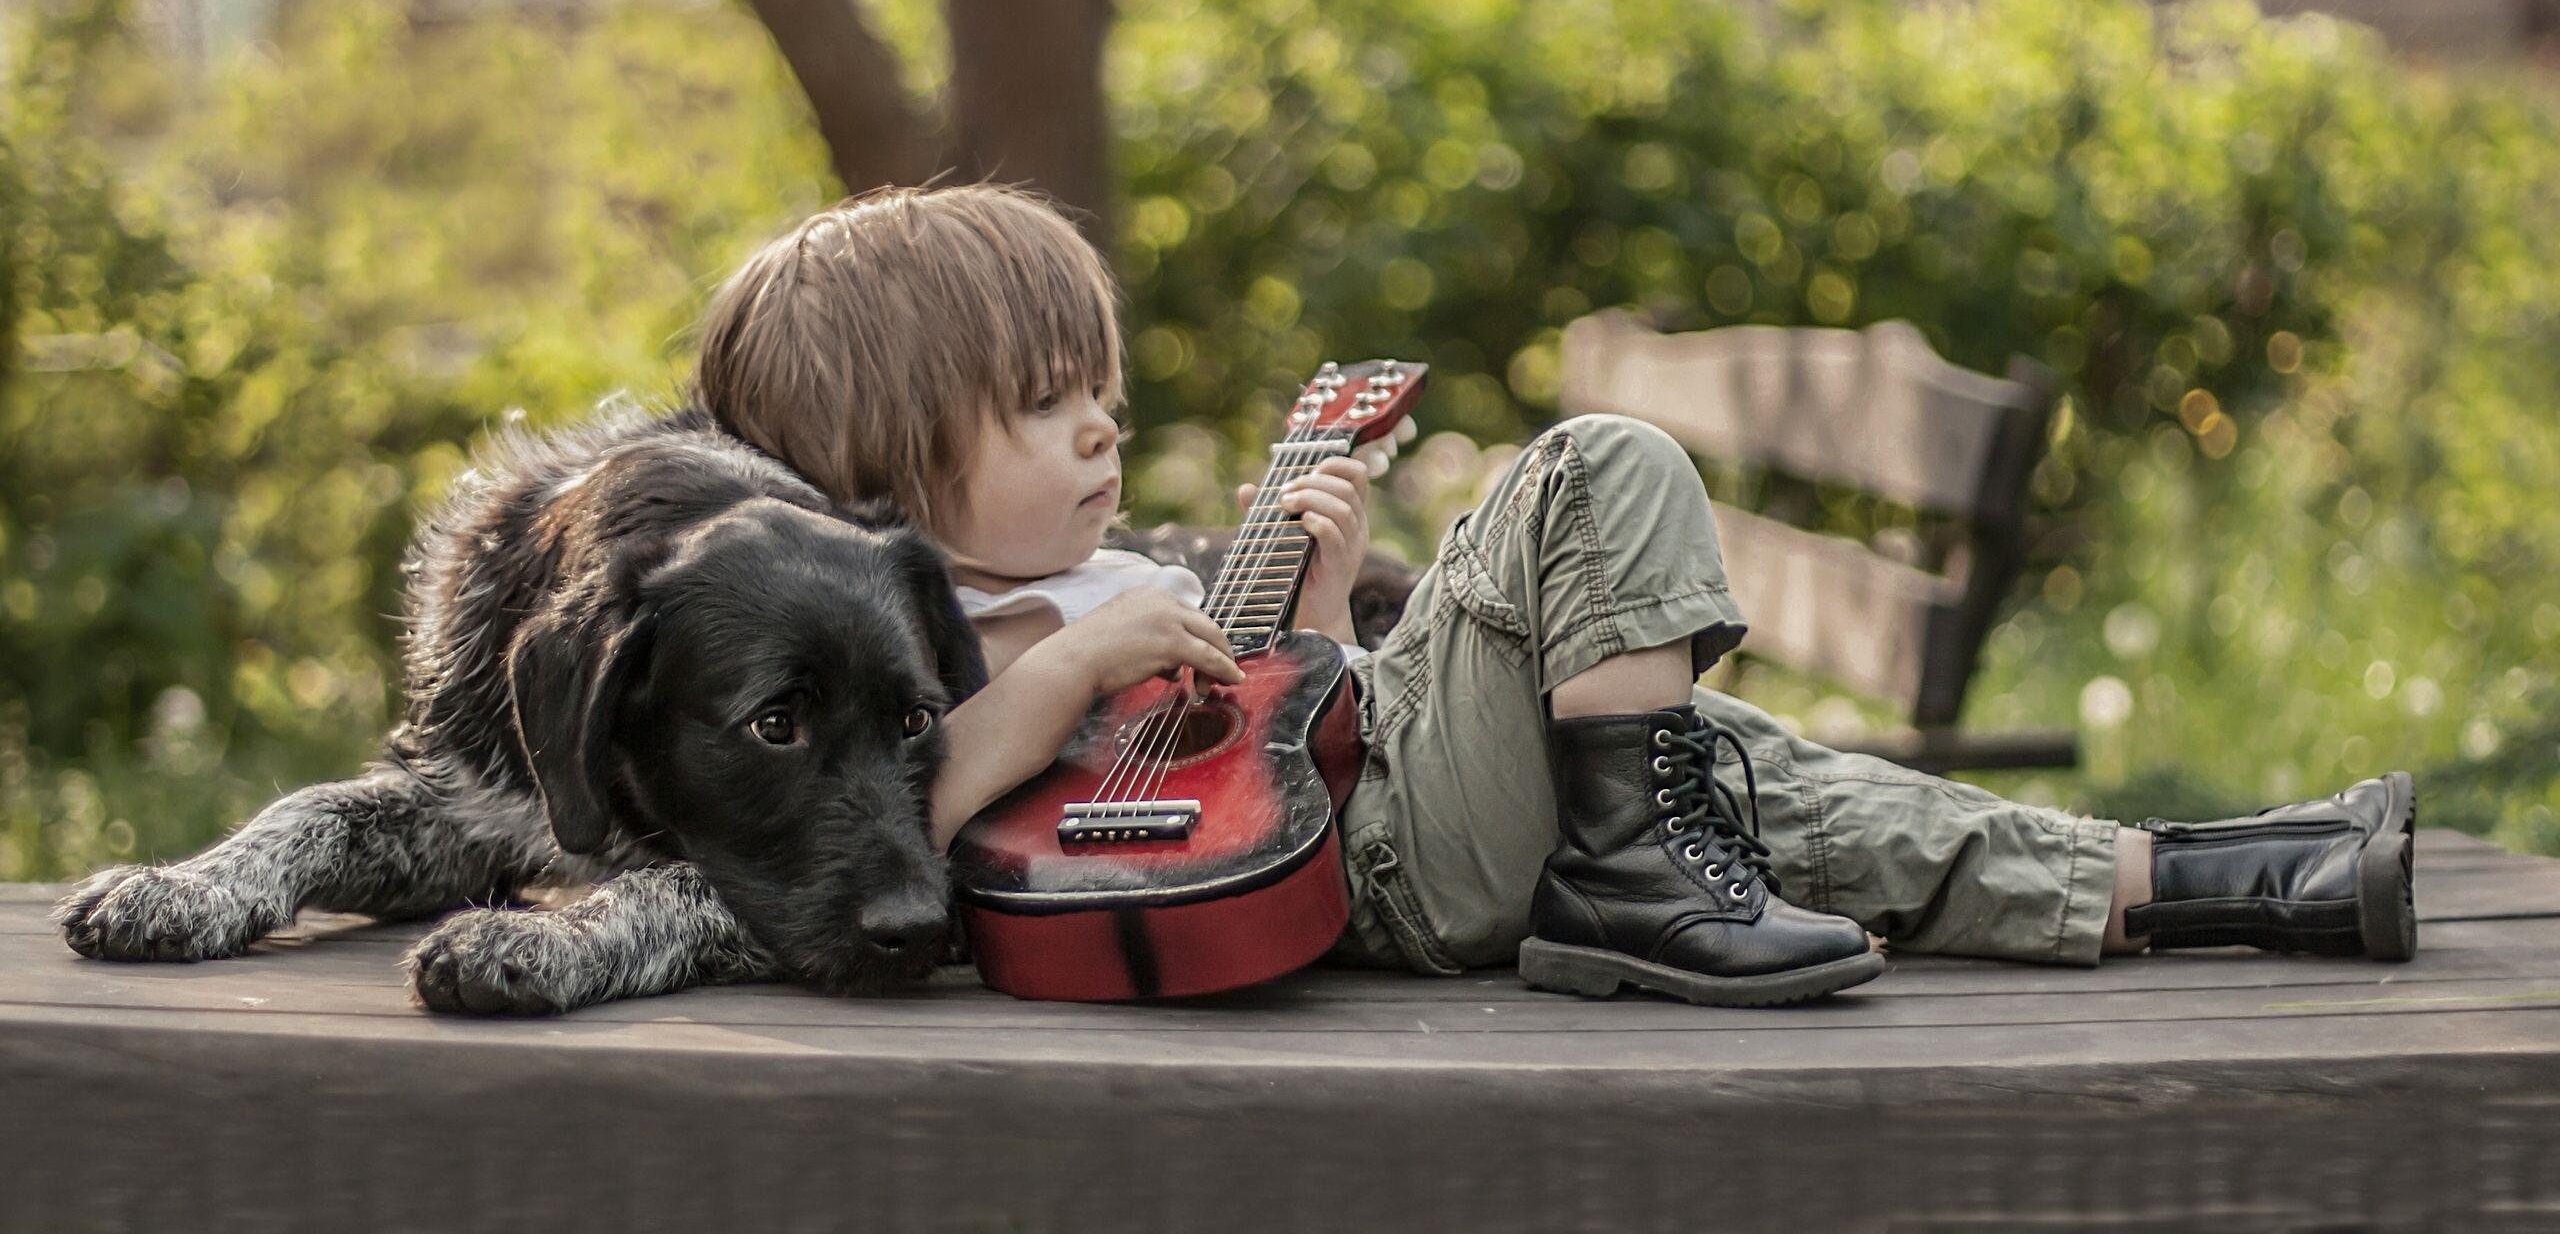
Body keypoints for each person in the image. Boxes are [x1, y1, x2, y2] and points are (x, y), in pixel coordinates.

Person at [692, 183, 2418, 1007]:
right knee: (1592, 471)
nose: (1099, 423)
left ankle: (2234, 879)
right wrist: (1075, 670)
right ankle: (1632, 881)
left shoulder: (1100, 573)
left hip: (1349, 839)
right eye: (1041, 402)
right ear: (891, 465)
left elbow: (1263, 743)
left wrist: (1285, 601)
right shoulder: (911, 636)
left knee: (1762, 779)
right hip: (1369, 875)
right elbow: (884, 824)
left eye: (1102, 387)